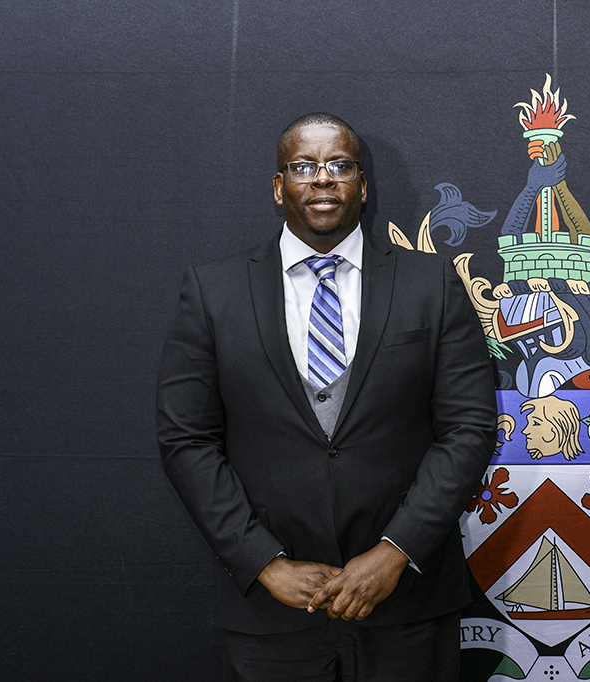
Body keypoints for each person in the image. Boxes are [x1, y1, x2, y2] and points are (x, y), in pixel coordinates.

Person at [157, 112, 497, 681]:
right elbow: (186, 440)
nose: (322, 178)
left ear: (362, 186)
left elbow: (469, 429)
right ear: (278, 187)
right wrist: (265, 562)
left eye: (340, 165)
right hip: (270, 610)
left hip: (406, 603)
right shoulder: (213, 291)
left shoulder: (432, 284)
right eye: (303, 166)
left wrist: (395, 551)